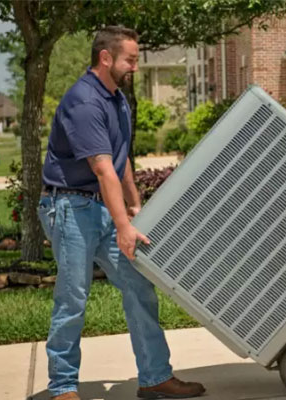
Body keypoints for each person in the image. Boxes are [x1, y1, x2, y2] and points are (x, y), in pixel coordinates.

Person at [38, 26, 205, 400]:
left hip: (100, 208)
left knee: (138, 285)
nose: (136, 67)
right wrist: (123, 226)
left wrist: (135, 207)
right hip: (69, 207)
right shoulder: (84, 101)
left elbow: (120, 160)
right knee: (73, 297)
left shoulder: (116, 100)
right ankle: (63, 387)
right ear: (106, 58)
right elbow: (101, 169)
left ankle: (155, 376)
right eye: (131, 59)